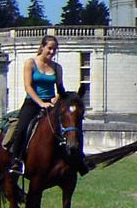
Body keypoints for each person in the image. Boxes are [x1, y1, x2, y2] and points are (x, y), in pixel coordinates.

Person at [8, 36, 91, 175]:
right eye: (49, 48)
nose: (52, 52)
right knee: (22, 128)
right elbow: (28, 87)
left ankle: (79, 159)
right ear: (42, 47)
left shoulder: (57, 67)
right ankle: (17, 160)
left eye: (54, 49)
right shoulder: (30, 63)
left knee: (72, 127)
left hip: (51, 103)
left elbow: (60, 89)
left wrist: (59, 98)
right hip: (33, 102)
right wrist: (41, 103)